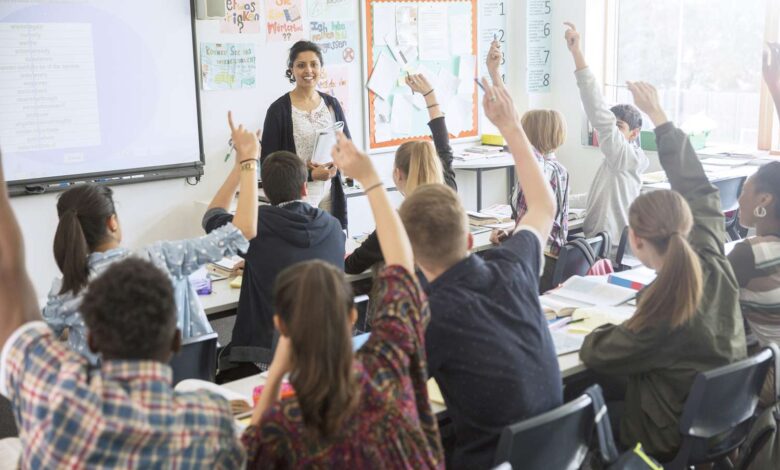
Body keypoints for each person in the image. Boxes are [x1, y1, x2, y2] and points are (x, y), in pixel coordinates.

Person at [0, 151, 245, 467]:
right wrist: (247, 161)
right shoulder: (211, 424)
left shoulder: (55, 419)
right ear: (174, 341)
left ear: (91, 341)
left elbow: (9, 279)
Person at [240, 132, 444, 469]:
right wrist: (370, 180)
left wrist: (276, 374)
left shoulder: (284, 423)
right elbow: (401, 267)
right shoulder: (390, 368)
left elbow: (247, 453)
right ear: (353, 316)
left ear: (281, 326)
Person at [579, 81, 747, 461]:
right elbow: (700, 189)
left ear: (634, 239)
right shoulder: (712, 257)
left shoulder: (663, 309)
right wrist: (660, 116)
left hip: (665, 432)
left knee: (581, 397)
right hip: (718, 419)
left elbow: (597, 351)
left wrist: (602, 324)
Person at [399, 80, 562, 469]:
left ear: (413, 257)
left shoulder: (429, 315)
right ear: (471, 239)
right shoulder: (513, 267)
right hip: (554, 453)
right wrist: (510, 126)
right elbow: (543, 205)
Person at [42, 112, 259, 364]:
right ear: (112, 221)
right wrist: (248, 160)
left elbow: (35, 347)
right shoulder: (161, 259)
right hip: (178, 390)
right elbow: (243, 230)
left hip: (103, 399)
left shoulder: (64, 291)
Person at [203, 150, 345, 370]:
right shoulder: (334, 226)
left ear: (266, 193)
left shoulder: (256, 227)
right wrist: (254, 263)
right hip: (324, 352)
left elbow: (211, 216)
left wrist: (241, 167)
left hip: (269, 358)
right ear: (304, 187)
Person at [344, 72, 457, 276]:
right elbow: (444, 147)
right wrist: (430, 95)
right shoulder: (449, 194)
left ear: (397, 174)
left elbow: (352, 265)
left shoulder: (395, 223)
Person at [486, 40, 569, 292]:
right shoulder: (559, 169)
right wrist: (511, 234)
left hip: (538, 261)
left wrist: (494, 74)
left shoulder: (541, 168)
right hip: (552, 256)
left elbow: (514, 126)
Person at [564, 22, 648, 254]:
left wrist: (577, 53)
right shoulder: (616, 161)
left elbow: (596, 108)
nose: (610, 132)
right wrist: (561, 200)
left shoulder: (622, 155)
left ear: (634, 133)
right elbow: (596, 198)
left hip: (606, 252)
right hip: (603, 244)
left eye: (618, 127)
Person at [727, 47, 780, 404]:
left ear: (764, 201)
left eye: (745, 190)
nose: (739, 199)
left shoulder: (750, 254)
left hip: (769, 380)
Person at [261, 40, 349, 228]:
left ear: (321, 68)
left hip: (331, 191)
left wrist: (336, 165)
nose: (308, 70)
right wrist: (309, 173)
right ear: (291, 69)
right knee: (305, 250)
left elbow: (347, 148)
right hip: (297, 196)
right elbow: (269, 165)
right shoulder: (278, 110)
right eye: (301, 65)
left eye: (313, 64)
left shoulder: (332, 104)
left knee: (332, 247)